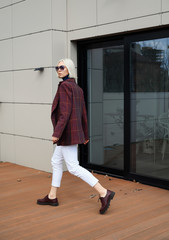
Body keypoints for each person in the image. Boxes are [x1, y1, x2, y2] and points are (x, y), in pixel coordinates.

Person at [37, 58, 115, 214]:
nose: (58, 70)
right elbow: (83, 114)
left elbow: (65, 113)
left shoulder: (65, 87)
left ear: (69, 69)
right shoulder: (77, 89)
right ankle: (52, 196)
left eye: (61, 67)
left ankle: (103, 192)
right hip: (73, 133)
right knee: (56, 161)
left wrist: (56, 133)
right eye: (57, 67)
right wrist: (85, 134)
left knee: (73, 167)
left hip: (66, 133)